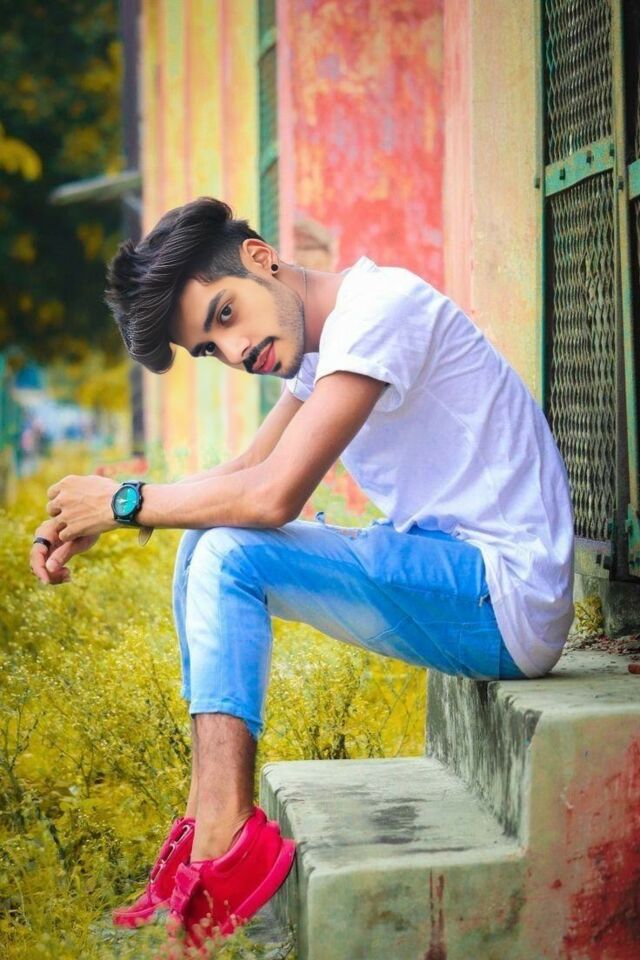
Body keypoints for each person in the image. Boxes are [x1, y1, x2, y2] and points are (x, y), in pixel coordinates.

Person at [29, 197, 575, 951]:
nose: (234, 348)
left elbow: (272, 496)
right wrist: (102, 512)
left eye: (226, 314)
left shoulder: (378, 310)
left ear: (260, 258)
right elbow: (247, 469)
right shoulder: (319, 348)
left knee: (233, 548)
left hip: (506, 593)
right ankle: (202, 826)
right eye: (211, 346)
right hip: (455, 575)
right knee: (206, 538)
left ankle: (224, 843)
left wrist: (126, 504)